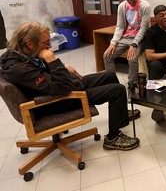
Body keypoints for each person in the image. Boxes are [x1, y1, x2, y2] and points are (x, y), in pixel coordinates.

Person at [0, 22, 140, 151]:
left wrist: (62, 67)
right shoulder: (19, 70)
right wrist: (53, 61)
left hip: (52, 89)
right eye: (46, 42)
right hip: (51, 101)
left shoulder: (16, 54)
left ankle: (119, 112)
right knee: (117, 90)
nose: (49, 46)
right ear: (30, 44)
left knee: (109, 76)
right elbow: (64, 87)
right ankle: (113, 138)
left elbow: (45, 77)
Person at [103, 0, 151, 101]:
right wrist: (112, 43)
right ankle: (113, 85)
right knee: (107, 55)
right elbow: (120, 26)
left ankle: (131, 86)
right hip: (126, 37)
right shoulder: (122, 6)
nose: (131, 1)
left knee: (132, 58)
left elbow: (144, 28)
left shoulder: (145, 6)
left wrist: (134, 44)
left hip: (141, 38)